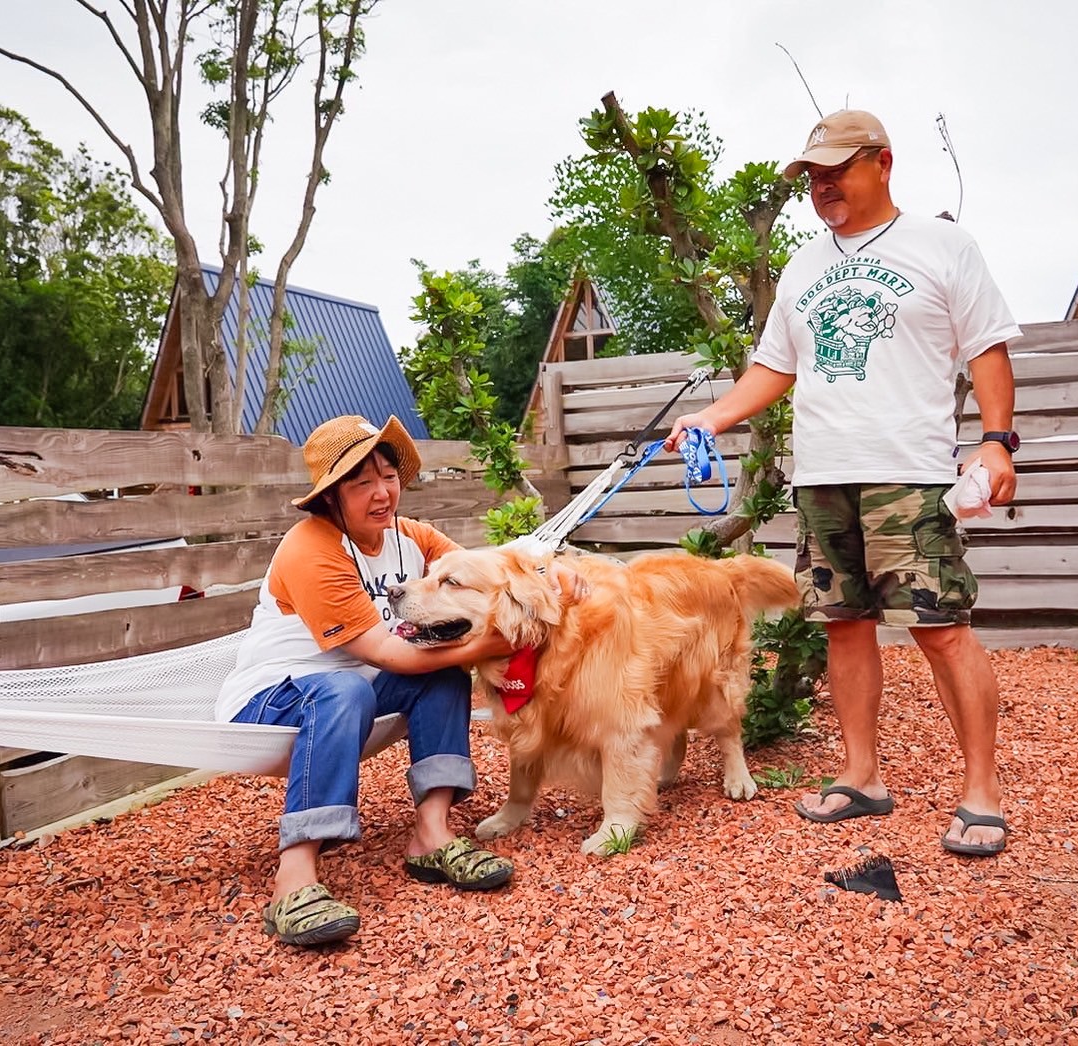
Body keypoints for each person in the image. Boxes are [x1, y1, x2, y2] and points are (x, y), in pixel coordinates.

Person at [664, 110, 1020, 857]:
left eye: (836, 172)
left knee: (940, 630)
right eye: (813, 177)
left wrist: (994, 443)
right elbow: (775, 366)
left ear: (882, 162)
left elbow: (986, 349)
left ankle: (981, 790)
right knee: (844, 626)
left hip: (910, 473)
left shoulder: (942, 246)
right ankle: (861, 777)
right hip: (822, 476)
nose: (822, 187)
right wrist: (713, 417)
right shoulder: (801, 265)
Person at [217, 414, 586, 946]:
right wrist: (486, 644)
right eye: (360, 482)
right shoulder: (311, 549)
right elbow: (389, 651)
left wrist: (553, 570)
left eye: (387, 475)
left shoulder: (410, 537)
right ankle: (293, 875)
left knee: (441, 674)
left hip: (360, 691)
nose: (381, 492)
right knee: (356, 682)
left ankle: (431, 833)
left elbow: (485, 566)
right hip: (273, 698)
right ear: (330, 498)